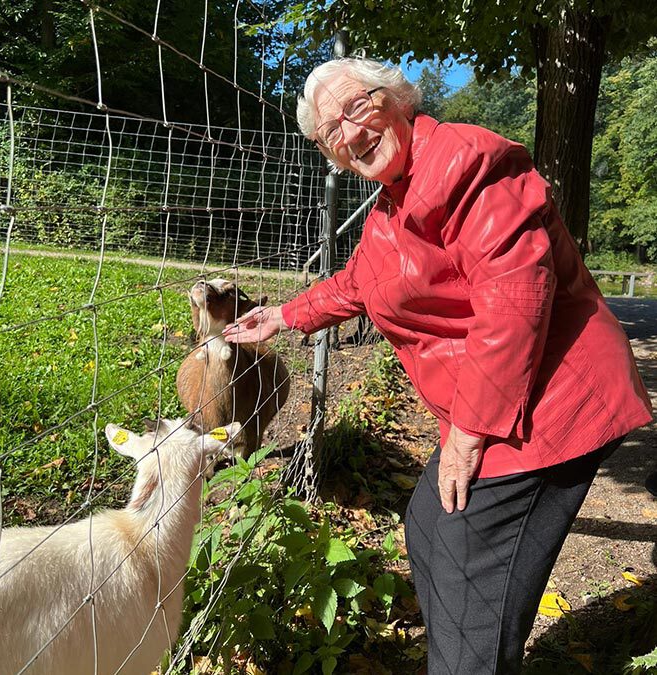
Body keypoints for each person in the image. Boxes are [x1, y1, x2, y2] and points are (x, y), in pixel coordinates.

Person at [222, 57, 653, 674]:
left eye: (359, 107)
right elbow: (361, 283)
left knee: (468, 574)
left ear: (398, 99)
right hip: (503, 400)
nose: (349, 133)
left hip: (549, 404)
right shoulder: (391, 206)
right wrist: (284, 317)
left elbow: (514, 303)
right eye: (329, 132)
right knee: (428, 527)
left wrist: (468, 435)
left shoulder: (468, 166)